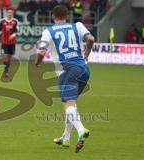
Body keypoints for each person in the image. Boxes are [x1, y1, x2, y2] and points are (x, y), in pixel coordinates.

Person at [35, 5, 94, 152]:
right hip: (84, 70)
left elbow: (41, 52)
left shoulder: (48, 31)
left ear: (52, 17)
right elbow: (91, 39)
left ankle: (81, 130)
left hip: (66, 72)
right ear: (67, 16)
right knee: (71, 104)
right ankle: (65, 138)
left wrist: (37, 62)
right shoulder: (78, 26)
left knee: (68, 106)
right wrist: (87, 52)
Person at [0, 8, 18, 78]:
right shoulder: (2, 21)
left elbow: (16, 31)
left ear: (12, 13)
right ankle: (6, 70)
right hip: (4, 42)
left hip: (12, 42)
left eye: (11, 13)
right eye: (8, 12)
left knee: (9, 57)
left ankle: (6, 70)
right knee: (4, 55)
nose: (10, 14)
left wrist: (13, 35)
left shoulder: (15, 21)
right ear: (6, 13)